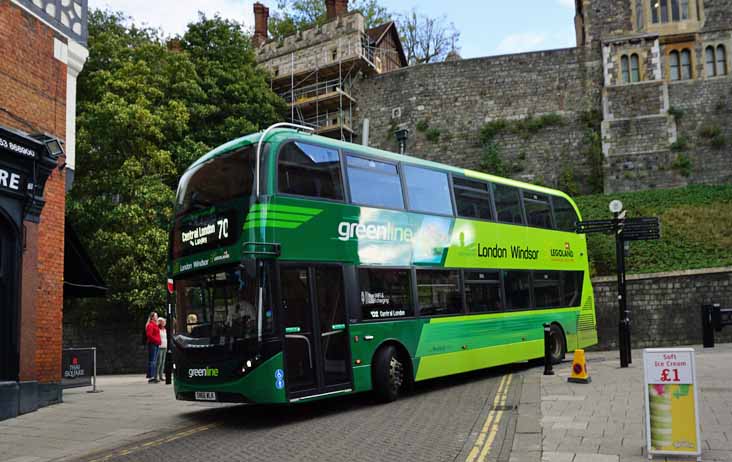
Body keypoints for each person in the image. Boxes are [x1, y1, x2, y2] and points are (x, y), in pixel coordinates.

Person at [145, 311, 161, 383]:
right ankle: (151, 377)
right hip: (152, 344)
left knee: (154, 361)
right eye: (156, 316)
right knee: (152, 361)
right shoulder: (150, 325)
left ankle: (154, 376)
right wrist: (156, 340)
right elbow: (149, 335)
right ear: (152, 317)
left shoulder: (155, 324)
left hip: (156, 344)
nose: (157, 317)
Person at [156, 317, 168, 383]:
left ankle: (161, 375)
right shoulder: (158, 329)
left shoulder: (165, 329)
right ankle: (156, 376)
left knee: (163, 362)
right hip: (160, 346)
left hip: (165, 346)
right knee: (159, 362)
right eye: (163, 322)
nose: (164, 323)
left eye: (164, 322)